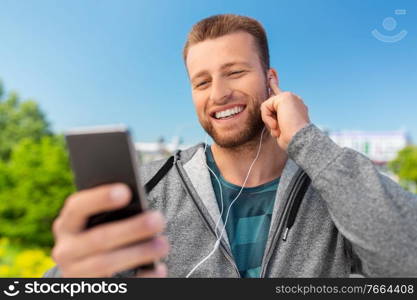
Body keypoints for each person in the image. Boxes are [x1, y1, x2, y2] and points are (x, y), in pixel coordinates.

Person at [44, 14, 417, 278]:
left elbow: (407, 263)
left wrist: (306, 139)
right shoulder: (149, 189)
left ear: (271, 81)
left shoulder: (334, 184)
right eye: (201, 82)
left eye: (235, 72)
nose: (219, 94)